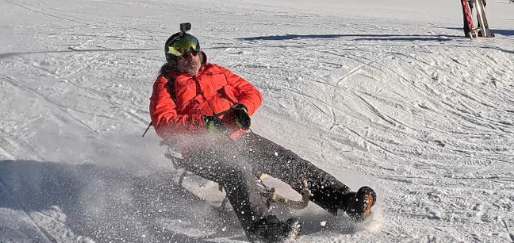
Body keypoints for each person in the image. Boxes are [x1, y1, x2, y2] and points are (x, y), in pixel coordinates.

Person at [149, 26, 377, 243]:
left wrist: (243, 108)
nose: (190, 56)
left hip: (239, 139)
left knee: (287, 161)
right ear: (172, 58)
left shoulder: (217, 72)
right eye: (181, 51)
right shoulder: (166, 84)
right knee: (236, 169)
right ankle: (263, 230)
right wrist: (203, 124)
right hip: (200, 150)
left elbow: (250, 92)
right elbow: (163, 122)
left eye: (193, 48)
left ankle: (346, 201)